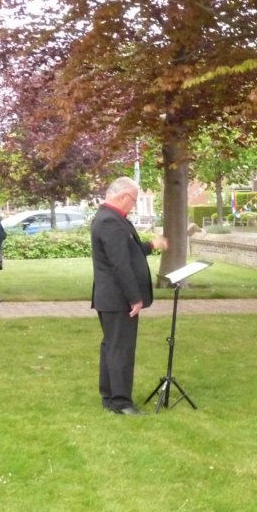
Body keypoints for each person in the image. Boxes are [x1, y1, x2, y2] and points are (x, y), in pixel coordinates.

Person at [91, 177, 168, 415]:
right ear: (123, 196)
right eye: (133, 199)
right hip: (117, 297)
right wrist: (135, 298)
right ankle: (121, 402)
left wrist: (151, 246)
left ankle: (109, 396)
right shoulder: (110, 222)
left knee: (112, 347)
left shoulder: (111, 219)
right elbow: (120, 264)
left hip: (112, 296)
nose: (133, 205)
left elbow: (128, 251)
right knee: (120, 349)